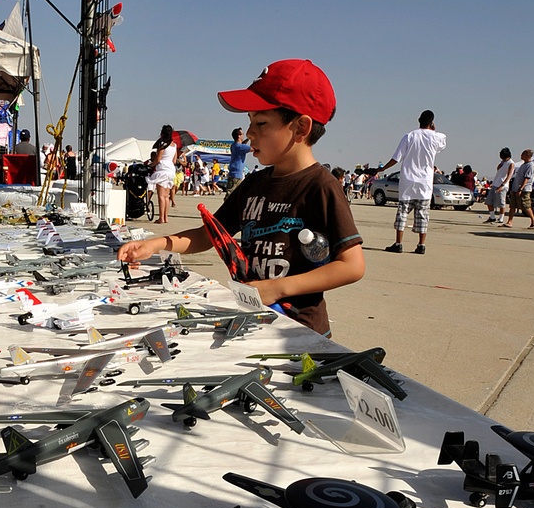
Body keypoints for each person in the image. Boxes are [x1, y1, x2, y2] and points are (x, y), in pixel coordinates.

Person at [118, 60, 364, 335]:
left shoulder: (321, 186)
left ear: (301, 127)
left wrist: (277, 287)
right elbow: (208, 235)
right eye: (249, 122)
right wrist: (156, 244)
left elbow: (351, 266)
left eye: (260, 122)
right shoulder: (254, 184)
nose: (249, 133)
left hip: (299, 333)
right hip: (253, 319)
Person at [378, 110, 447, 255]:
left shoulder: (409, 136)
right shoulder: (436, 137)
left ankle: (398, 243)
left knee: (402, 213)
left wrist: (382, 168)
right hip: (425, 183)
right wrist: (433, 131)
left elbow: (396, 158)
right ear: (431, 123)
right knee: (422, 214)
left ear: (419, 120)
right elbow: (442, 142)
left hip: (408, 181)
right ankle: (421, 245)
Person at [146, 124, 178, 225]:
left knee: (161, 195)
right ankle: (166, 217)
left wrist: (151, 164)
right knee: (166, 196)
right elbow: (174, 160)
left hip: (162, 170)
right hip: (171, 170)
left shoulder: (162, 144)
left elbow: (158, 159)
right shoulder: (174, 145)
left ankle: (161, 218)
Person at [505, 149, 534, 228]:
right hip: (516, 188)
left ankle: (533, 220)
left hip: (524, 189)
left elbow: (527, 178)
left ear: (527, 155)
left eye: (523, 154)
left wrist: (521, 189)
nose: (521, 155)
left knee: (525, 205)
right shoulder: (523, 164)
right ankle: (509, 221)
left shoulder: (530, 165)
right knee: (512, 205)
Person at [488, 148, 516, 224]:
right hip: (495, 183)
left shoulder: (511, 163)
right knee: (489, 201)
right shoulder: (502, 163)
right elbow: (498, 169)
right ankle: (492, 217)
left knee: (501, 202)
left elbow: (509, 175)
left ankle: (501, 218)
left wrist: (502, 185)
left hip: (503, 185)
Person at [226, 127, 250, 194]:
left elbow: (242, 145)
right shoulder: (240, 147)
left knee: (234, 193)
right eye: (242, 134)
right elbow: (252, 149)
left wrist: (248, 139)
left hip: (234, 173)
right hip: (237, 174)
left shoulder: (234, 145)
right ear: (239, 136)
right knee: (231, 193)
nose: (243, 135)